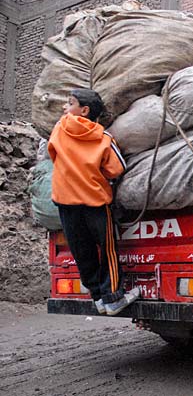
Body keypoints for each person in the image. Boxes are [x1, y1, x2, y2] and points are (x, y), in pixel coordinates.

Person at [48, 89, 139, 316]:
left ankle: (97, 297)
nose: (65, 108)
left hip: (65, 202)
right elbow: (116, 169)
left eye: (69, 104)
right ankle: (113, 297)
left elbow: (52, 154)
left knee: (82, 251)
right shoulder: (104, 138)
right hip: (95, 204)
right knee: (107, 250)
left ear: (84, 110)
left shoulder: (60, 129)